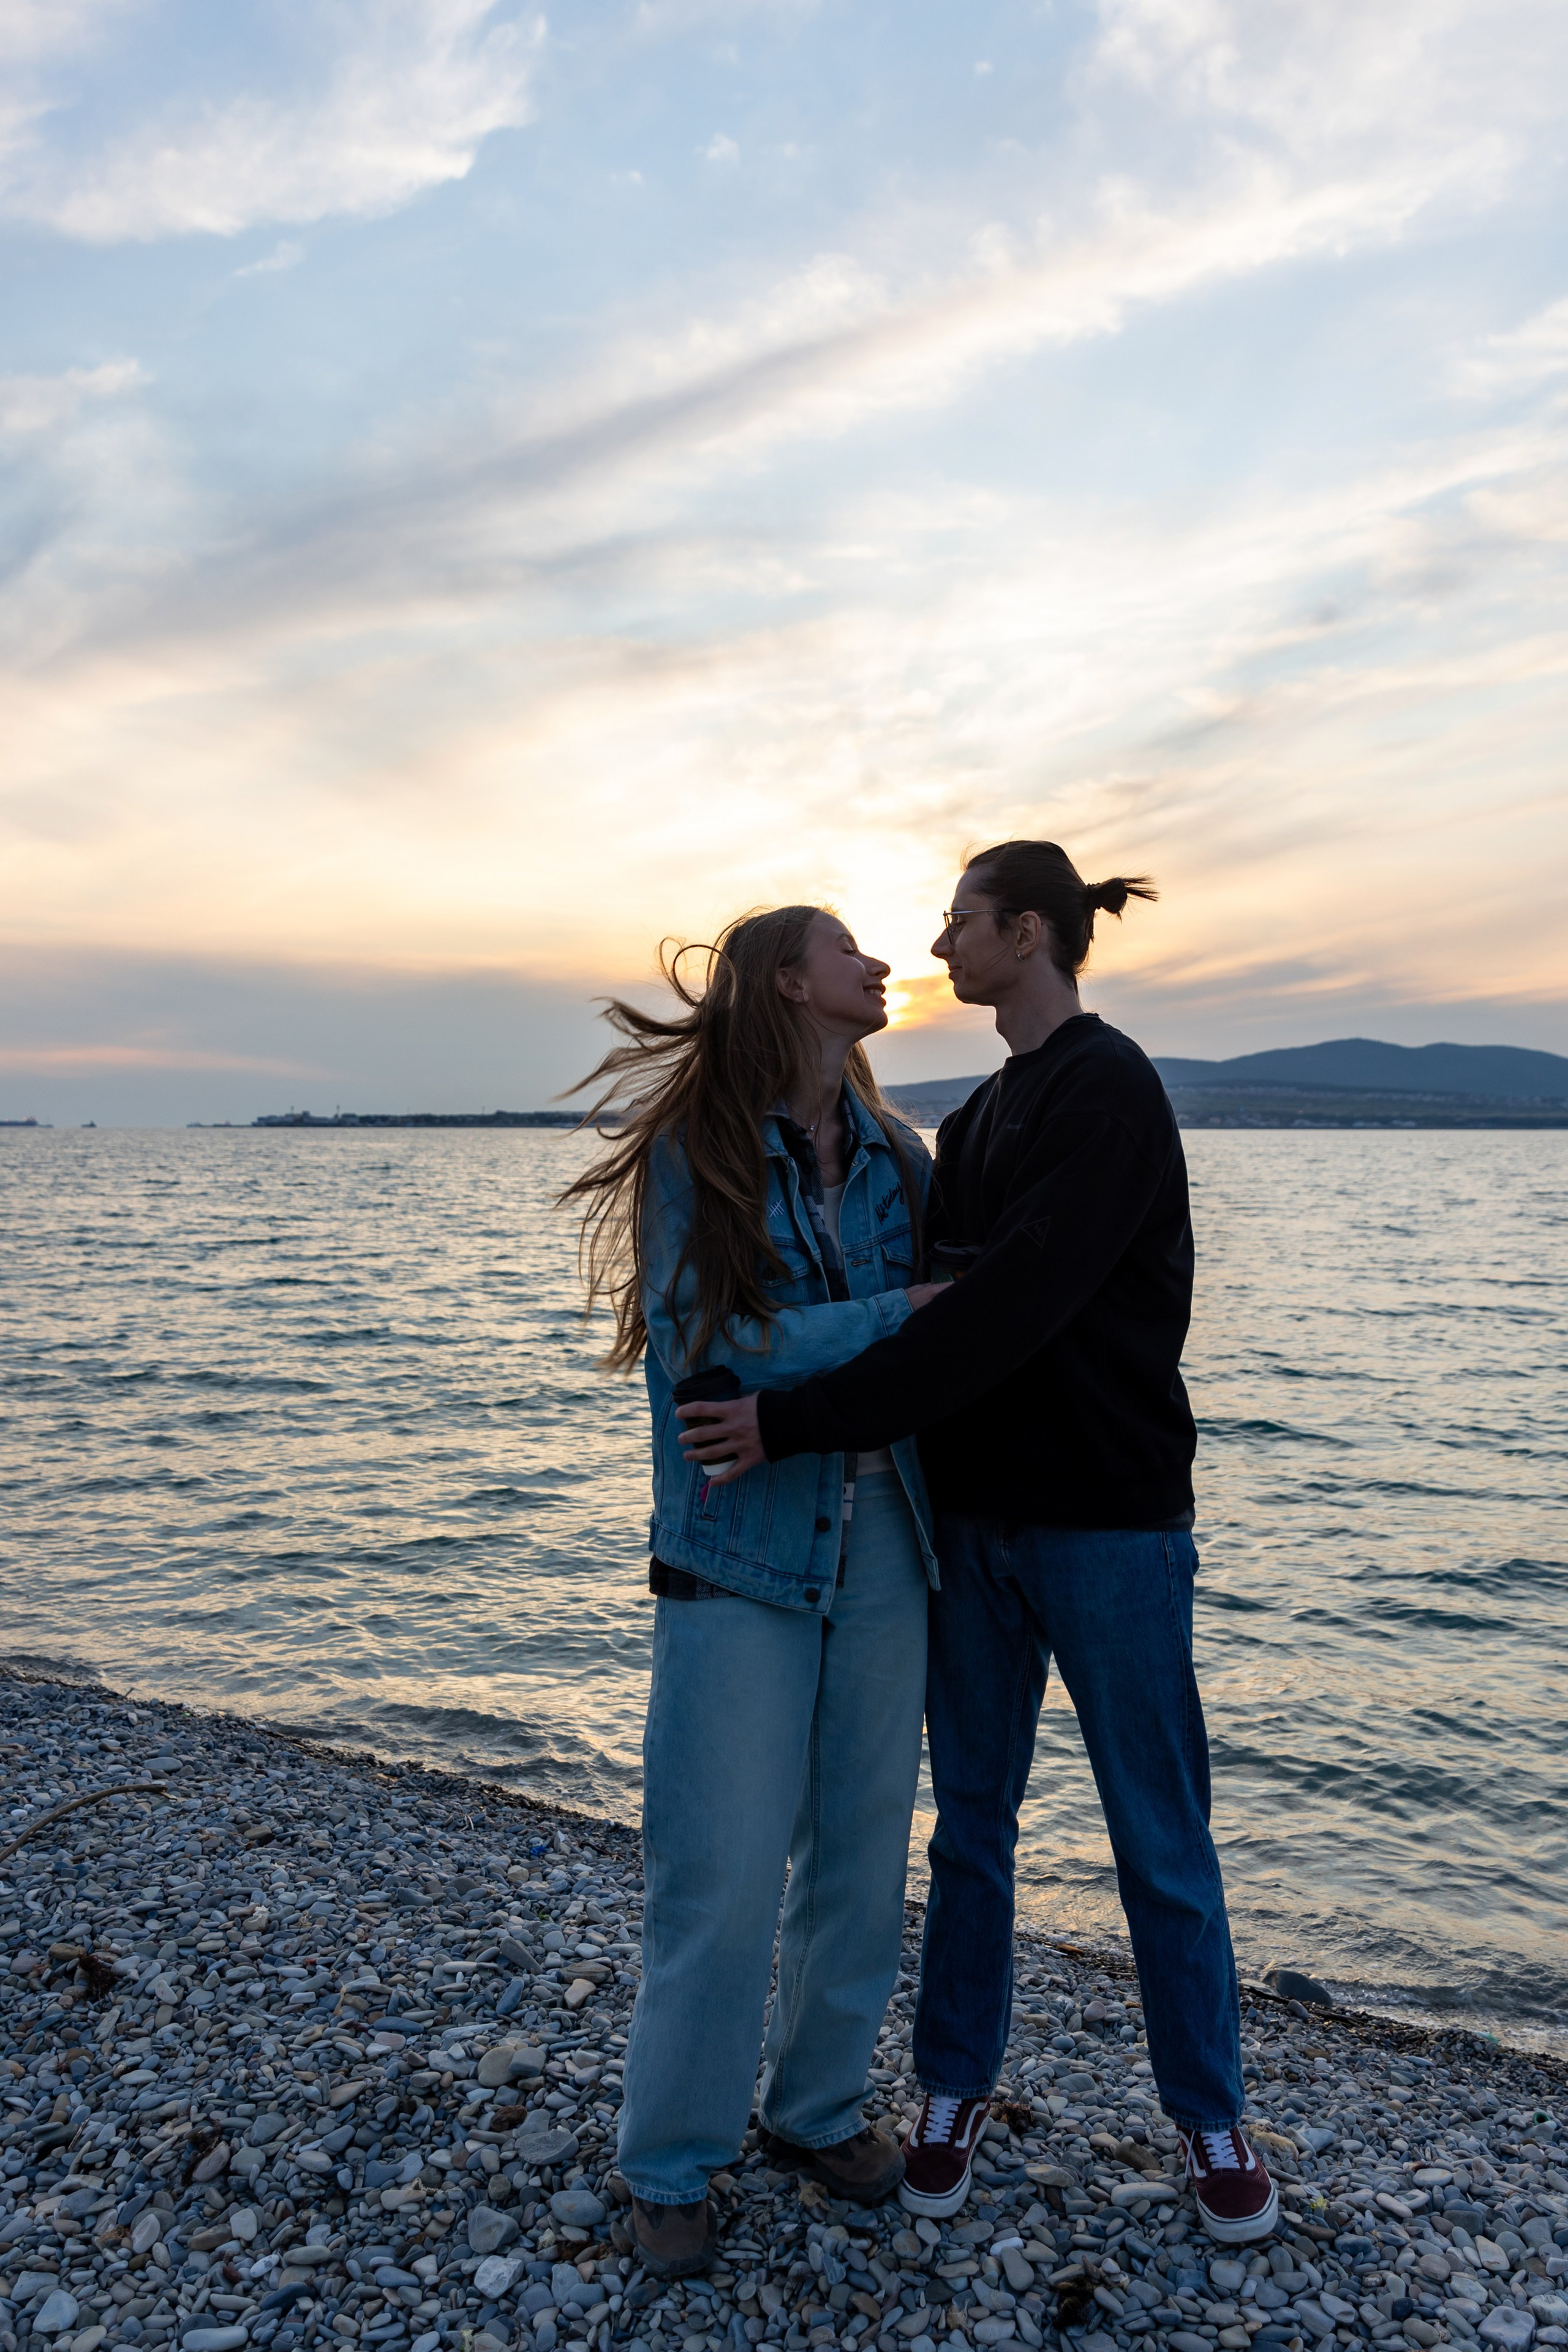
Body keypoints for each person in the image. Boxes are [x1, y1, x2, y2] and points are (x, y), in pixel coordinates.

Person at [677, 841, 1278, 2248]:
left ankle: (1210, 2122)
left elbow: (1004, 1310)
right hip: (971, 1526)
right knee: (974, 1836)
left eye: (959, 920)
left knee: (1158, 1836)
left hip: (1111, 1527)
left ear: (1025, 932)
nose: (936, 940)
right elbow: (933, 1310)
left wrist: (795, 1418)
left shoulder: (1108, 1089)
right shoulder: (979, 1117)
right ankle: (949, 2091)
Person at [562, 905, 945, 2280]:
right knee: (715, 1875)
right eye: (852, 950)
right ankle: (668, 2161)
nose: (881, 964)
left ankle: (815, 2112)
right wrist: (887, 1325)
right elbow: (705, 1344)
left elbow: (941, 1338)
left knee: (857, 1852)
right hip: (734, 1550)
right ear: (787, 980)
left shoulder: (905, 1157)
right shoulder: (694, 1152)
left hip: (891, 1537)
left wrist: (858, 1355)